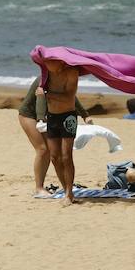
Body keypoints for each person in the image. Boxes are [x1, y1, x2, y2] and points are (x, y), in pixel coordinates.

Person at [18, 75, 91, 198]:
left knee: (55, 153)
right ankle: (39, 188)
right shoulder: (44, 79)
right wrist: (41, 118)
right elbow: (40, 99)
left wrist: (85, 115)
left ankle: (67, 188)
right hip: (29, 115)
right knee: (42, 150)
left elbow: (71, 97)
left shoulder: (63, 78)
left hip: (46, 118)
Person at [41, 59, 82, 204]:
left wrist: (46, 93)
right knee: (54, 157)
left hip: (68, 117)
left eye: (50, 63)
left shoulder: (72, 73)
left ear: (60, 63)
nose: (47, 65)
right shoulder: (47, 73)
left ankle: (69, 193)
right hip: (52, 117)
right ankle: (66, 191)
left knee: (66, 156)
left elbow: (69, 96)